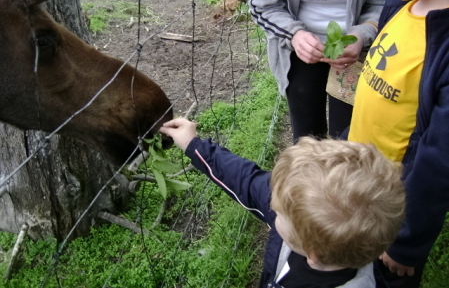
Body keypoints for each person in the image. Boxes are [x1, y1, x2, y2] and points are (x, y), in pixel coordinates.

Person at [160, 118, 405, 288]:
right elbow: (246, 181)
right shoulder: (303, 217)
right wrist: (194, 145)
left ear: (312, 255)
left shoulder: (299, 218)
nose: (271, 204)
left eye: (277, 212)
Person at [346, 0, 449, 287]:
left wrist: (407, 240)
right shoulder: (402, 0)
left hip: (392, 205)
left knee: (386, 278)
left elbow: (440, 160)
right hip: (359, 178)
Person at [248, 0, 389, 140]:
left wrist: (363, 35)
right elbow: (263, 6)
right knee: (307, 139)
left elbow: (384, 3)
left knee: (348, 140)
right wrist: (294, 34)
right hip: (298, 52)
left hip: (357, 53)